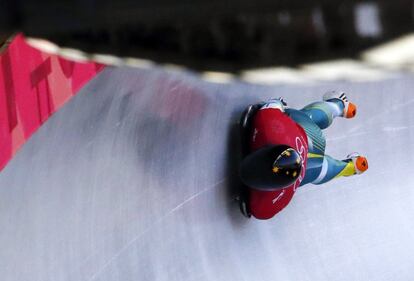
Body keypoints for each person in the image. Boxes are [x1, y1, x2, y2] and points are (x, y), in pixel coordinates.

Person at [239, 91, 368, 219]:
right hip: (303, 137)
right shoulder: (269, 124)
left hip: (310, 139)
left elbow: (273, 104)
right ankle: (352, 164)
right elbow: (273, 106)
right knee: (317, 168)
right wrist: (278, 103)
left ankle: (339, 106)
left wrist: (278, 103)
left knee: (316, 168)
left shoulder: (269, 204)